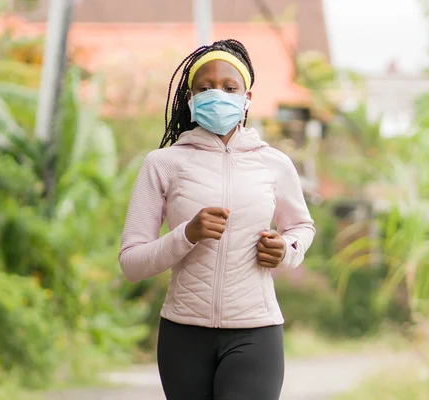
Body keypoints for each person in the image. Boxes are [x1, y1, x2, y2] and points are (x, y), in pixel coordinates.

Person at [118, 39, 315, 400]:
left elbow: (301, 227)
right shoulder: (162, 164)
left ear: (247, 99)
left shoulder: (274, 163)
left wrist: (285, 250)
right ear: (190, 100)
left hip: (255, 332)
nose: (217, 95)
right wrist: (186, 234)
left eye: (229, 87)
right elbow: (131, 263)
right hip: (183, 335)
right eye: (205, 88)